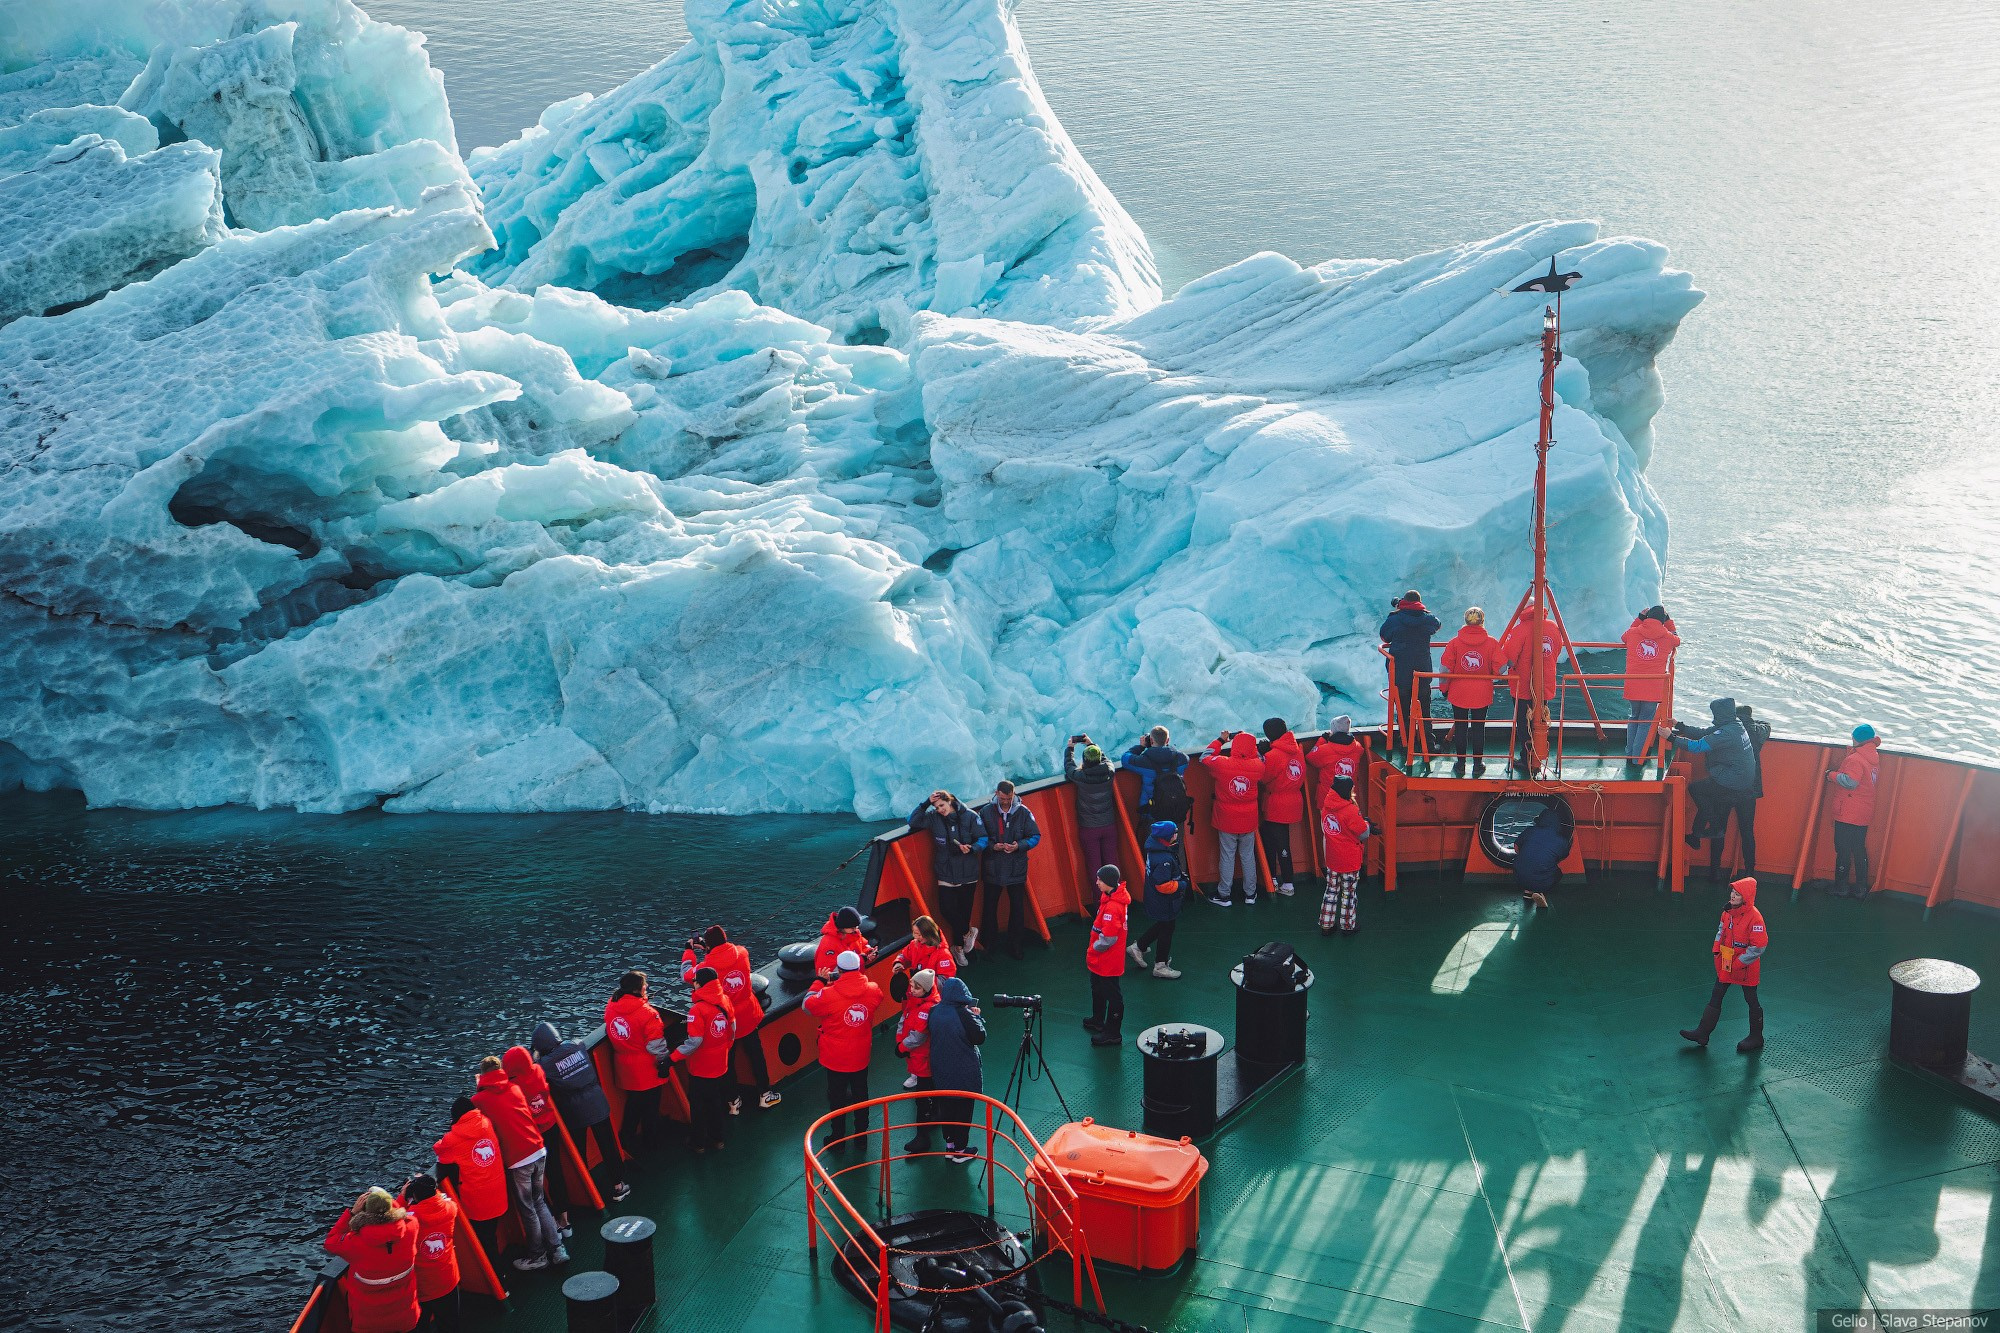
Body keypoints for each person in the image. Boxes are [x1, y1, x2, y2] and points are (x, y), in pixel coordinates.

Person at [471, 1055, 565, 1271]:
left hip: (518, 1159)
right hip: (538, 1149)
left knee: (528, 1208)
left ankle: (537, 1256)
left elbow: (481, 1106)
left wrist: (480, 1087)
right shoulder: (514, 1088)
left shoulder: (479, 1100)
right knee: (539, 1201)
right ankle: (558, 1249)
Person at [682, 925, 781, 1111]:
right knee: (756, 1056)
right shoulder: (742, 953)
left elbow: (687, 974)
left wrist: (689, 952)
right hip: (748, 1015)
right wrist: (711, 949)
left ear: (709, 945)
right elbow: (727, 953)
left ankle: (733, 1101)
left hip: (726, 1020)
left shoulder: (706, 967)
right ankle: (765, 1095)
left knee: (728, 1062)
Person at [530, 1021, 630, 1203]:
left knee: (579, 1152)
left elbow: (535, 1069)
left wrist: (536, 1056)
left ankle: (587, 1191)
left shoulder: (545, 1064)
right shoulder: (577, 1045)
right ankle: (618, 1186)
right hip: (598, 1102)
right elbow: (579, 1043)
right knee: (608, 1146)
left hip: (575, 1112)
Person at [803, 949, 883, 1147]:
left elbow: (807, 1005)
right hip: (860, 1054)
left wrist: (820, 982)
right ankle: (861, 1136)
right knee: (861, 1094)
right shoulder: (873, 989)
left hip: (835, 1057)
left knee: (837, 1098)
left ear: (839, 968)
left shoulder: (828, 995)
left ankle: (837, 1138)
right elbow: (872, 997)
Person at [1673, 698, 1759, 881]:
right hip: (1748, 786)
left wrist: (1671, 737)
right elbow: (1705, 733)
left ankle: (1713, 863)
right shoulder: (1735, 725)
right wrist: (1680, 726)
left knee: (1697, 790)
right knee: (1746, 831)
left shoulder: (1726, 732)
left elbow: (1698, 746)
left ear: (1719, 714)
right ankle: (1750, 875)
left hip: (1732, 782)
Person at [1679, 876, 1768, 1052]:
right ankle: (1703, 1033)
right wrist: (1716, 949)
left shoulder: (1755, 918)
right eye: (1732, 893)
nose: (1733, 896)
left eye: (1738, 894)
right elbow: (1721, 931)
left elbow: (1759, 947)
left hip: (1746, 969)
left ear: (1746, 898)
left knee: (1751, 999)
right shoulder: (1727, 912)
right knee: (1717, 993)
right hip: (1727, 962)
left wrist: (1739, 962)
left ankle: (1756, 1036)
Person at [322, 1187, 420, 1333]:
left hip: (368, 1323)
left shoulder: (354, 1243)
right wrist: (385, 1200)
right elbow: (403, 1215)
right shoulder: (411, 1228)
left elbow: (330, 1241)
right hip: (405, 1316)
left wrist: (352, 1213)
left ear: (365, 1213)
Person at [908, 790, 985, 965]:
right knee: (947, 909)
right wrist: (926, 803)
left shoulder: (970, 817)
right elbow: (913, 821)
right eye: (936, 807)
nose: (940, 809)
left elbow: (983, 838)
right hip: (946, 870)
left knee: (964, 912)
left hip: (967, 871)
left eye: (942, 805)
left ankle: (958, 948)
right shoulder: (934, 818)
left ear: (950, 802)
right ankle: (968, 932)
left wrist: (972, 848)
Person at [500, 1046, 569, 1238]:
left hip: (534, 1136)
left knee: (536, 1184)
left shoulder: (514, 1086)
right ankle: (565, 1220)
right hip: (551, 1126)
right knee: (556, 1172)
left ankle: (549, 1228)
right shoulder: (538, 1071)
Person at [668, 966, 736, 1154]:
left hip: (701, 1066)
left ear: (701, 984)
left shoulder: (697, 1010)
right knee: (715, 1100)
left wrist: (672, 1058)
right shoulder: (725, 1001)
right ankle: (718, 1138)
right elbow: (732, 1028)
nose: (693, 983)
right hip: (720, 1062)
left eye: (695, 981)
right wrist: (725, 1048)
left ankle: (698, 1143)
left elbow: (694, 1042)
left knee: (698, 1105)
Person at [431, 1097, 507, 1264]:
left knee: (485, 1240)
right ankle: (501, 1274)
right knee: (492, 1235)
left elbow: (439, 1150)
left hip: (478, 1200)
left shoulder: (453, 1138)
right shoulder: (486, 1122)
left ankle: (499, 1279)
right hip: (498, 1191)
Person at [603, 970, 668, 1157]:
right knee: (651, 1108)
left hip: (624, 1066)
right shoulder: (648, 1014)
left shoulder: (611, 1007)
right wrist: (665, 1062)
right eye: (644, 986)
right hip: (646, 1068)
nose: (647, 987)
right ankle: (651, 1143)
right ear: (637, 990)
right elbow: (656, 1045)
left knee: (633, 1104)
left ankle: (627, 1139)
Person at [977, 780, 1042, 959]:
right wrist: (992, 846)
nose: (1006, 802)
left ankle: (1016, 945)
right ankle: (989, 943)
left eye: (1009, 798)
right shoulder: (985, 812)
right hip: (993, 868)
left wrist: (1018, 846)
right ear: (997, 793)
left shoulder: (1023, 812)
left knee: (1017, 908)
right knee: (989, 907)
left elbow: (1035, 836)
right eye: (1003, 798)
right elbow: (980, 838)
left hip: (1016, 869)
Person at [1202, 730, 1265, 907]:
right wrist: (1255, 750)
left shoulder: (1222, 763)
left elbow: (1205, 756)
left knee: (1227, 856)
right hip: (1248, 819)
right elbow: (1261, 759)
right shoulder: (1258, 766)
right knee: (1248, 856)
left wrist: (1220, 740)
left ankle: (1224, 895)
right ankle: (1250, 894)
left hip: (1226, 818)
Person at [926, 976, 987, 1163]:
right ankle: (961, 1151)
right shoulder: (964, 1014)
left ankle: (950, 1146)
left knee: (947, 1109)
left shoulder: (933, 1011)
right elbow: (979, 1037)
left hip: (941, 1069)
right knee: (963, 1111)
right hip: (963, 1072)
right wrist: (976, 1017)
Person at [893, 916, 955, 1086]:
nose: (915, 937)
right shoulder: (914, 946)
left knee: (927, 1041)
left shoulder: (942, 954)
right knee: (909, 1031)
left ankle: (932, 1073)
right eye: (914, 934)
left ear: (928, 934)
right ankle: (915, 1073)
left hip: (931, 1002)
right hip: (913, 998)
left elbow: (947, 981)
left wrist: (924, 982)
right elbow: (903, 956)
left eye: (918, 934)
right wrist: (899, 963)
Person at [1439, 608, 1502, 776]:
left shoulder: (1454, 642)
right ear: (1482, 621)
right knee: (1478, 728)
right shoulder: (1491, 642)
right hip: (1482, 693)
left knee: (1460, 727)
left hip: (1458, 693)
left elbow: (1445, 669)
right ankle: (1477, 765)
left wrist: (1444, 689)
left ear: (1465, 621)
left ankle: (1460, 765)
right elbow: (1500, 668)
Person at [1500, 605, 1560, 774]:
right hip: (1544, 684)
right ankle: (1538, 756)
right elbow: (1557, 649)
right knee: (1540, 721)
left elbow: (1510, 658)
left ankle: (1527, 759)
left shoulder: (1520, 629)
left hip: (1524, 686)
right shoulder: (1553, 626)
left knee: (1525, 724)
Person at [398, 1174, 461, 1333]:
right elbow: (439, 1201)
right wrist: (427, 1185)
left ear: (415, 1195)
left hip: (422, 1286)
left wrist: (402, 1198)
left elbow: (394, 1223)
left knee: (421, 1326)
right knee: (450, 1324)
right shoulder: (451, 1208)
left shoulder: (410, 1220)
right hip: (448, 1279)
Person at [1379, 591, 1443, 747]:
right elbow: (1437, 624)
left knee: (1403, 710)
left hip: (1400, 672)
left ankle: (1406, 743)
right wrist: (1421, 612)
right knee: (1424, 709)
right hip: (1421, 672)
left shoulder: (1394, 619)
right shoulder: (1427, 619)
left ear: (1403, 602)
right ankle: (1428, 742)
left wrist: (1398, 610)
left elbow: (1384, 637)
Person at [1065, 735, 1121, 908]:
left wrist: (1070, 749)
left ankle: (1102, 904)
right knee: (1113, 862)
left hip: (1089, 828)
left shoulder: (1080, 777)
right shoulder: (1109, 772)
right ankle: (1118, 900)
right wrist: (1091, 744)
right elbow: (1106, 760)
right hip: (1109, 824)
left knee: (1094, 866)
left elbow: (1069, 767)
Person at [1827, 723, 1882, 898]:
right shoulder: (1873, 757)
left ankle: (1841, 887)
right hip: (1863, 812)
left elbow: (1851, 782)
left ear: (1857, 739)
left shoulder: (1855, 759)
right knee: (1858, 848)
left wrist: (1831, 775)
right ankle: (1861, 888)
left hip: (1848, 812)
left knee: (1842, 849)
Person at [1619, 606, 1681, 763]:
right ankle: (1638, 757)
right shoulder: (1667, 637)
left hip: (1633, 684)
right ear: (1662, 620)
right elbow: (1677, 640)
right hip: (1653, 686)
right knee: (1646, 721)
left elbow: (1624, 637)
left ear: (1647, 618)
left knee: (1634, 717)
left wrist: (1640, 618)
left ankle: (1630, 753)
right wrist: (1669, 622)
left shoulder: (1634, 632)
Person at [1128, 821, 1186, 979]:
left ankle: (1139, 947)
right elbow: (1162, 885)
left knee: (1164, 925)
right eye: (1174, 833)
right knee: (1167, 928)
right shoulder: (1163, 858)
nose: (1176, 835)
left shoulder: (1156, 849)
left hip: (1156, 899)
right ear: (1167, 837)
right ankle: (1160, 965)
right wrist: (1181, 884)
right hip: (1164, 900)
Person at [1080, 866, 1130, 1046]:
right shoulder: (1110, 899)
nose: (1097, 882)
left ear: (1108, 882)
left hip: (1107, 959)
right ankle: (1098, 1019)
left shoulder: (1112, 907)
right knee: (1098, 988)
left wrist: (1093, 948)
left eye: (1099, 880)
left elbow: (1108, 939)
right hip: (1102, 959)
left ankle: (1113, 1032)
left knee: (1112, 995)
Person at [1258, 719, 1306, 896]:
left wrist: (1264, 756)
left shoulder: (1274, 755)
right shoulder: (1296, 749)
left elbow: (1263, 777)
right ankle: (1282, 880)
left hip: (1277, 803)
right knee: (1280, 842)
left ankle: (1285, 883)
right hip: (1293, 799)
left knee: (1278, 844)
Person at [1318, 775, 1370, 936]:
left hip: (1333, 858)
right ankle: (1347, 926)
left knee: (1331, 891)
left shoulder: (1326, 807)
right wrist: (1366, 823)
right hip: (1349, 860)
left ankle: (1326, 925)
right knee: (1348, 893)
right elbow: (1363, 833)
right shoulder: (1350, 810)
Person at [895, 968, 940, 1151]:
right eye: (912, 985)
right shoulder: (915, 1003)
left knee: (921, 1100)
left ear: (927, 990)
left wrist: (902, 1047)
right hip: (917, 1057)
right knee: (931, 1094)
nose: (912, 990)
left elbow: (919, 1036)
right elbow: (902, 1022)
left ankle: (923, 1139)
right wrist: (900, 1042)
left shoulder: (927, 1009)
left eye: (917, 987)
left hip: (924, 1061)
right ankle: (936, 1116)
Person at [1122, 728, 1192, 833]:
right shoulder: (1181, 759)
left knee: (1153, 845)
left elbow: (1125, 759)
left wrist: (1141, 746)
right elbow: (1179, 756)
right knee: (1176, 844)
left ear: (1151, 740)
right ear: (1168, 740)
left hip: (1153, 811)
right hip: (1176, 809)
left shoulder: (1144, 761)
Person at [1512, 804, 1568, 909]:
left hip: (1518, 877)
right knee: (1557, 873)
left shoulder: (1529, 831)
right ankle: (1540, 892)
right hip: (1543, 880)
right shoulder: (1561, 840)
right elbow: (1562, 856)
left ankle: (1528, 891)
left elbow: (1515, 847)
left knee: (1529, 867)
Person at [814, 906, 872, 981]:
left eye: (856, 926)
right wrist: (861, 960)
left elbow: (863, 946)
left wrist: (870, 952)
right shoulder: (829, 944)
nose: (855, 929)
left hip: (856, 980)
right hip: (841, 987)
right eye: (852, 927)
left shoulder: (854, 934)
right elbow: (827, 975)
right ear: (843, 926)